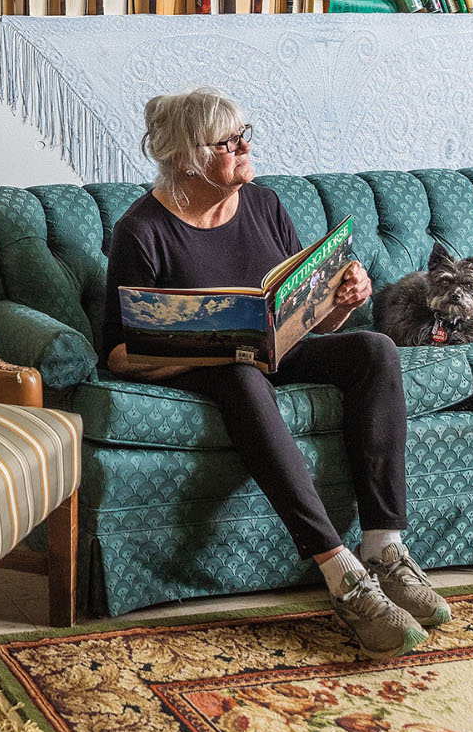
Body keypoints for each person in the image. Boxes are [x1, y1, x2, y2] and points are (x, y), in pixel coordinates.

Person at [98, 88, 449, 659]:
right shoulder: (141, 231)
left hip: (273, 351)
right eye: (227, 141)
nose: (244, 147)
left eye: (244, 134)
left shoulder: (264, 205)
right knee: (242, 377)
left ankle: (385, 549)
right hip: (208, 368)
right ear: (189, 157)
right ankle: (341, 573)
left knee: (375, 349)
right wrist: (217, 346)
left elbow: (310, 323)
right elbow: (117, 353)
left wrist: (342, 300)